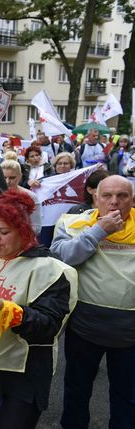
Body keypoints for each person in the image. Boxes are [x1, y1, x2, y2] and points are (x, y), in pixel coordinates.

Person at [0, 189, 77, 429]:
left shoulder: (50, 271)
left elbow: (49, 325)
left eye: (4, 232)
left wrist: (7, 310)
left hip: (22, 374)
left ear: (24, 230)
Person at [51, 175, 135, 429]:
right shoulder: (73, 222)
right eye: (107, 196)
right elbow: (61, 257)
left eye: (122, 196)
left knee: (127, 397)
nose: (115, 202)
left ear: (132, 199)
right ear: (95, 197)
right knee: (77, 391)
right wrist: (99, 231)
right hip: (85, 326)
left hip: (130, 331)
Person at [0, 160, 42, 235]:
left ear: (20, 176)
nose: (7, 181)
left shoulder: (31, 196)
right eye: (4, 177)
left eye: (12, 178)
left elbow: (36, 228)